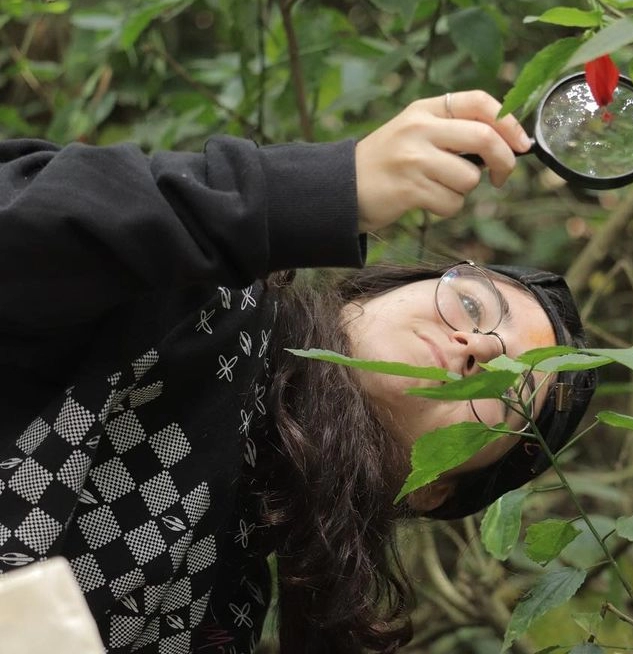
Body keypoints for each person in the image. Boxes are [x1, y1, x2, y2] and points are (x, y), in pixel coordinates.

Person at [0, 90, 597, 653]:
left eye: (509, 386)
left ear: (438, 487)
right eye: (472, 305)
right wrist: (325, 189)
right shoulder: (196, 295)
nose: (477, 346)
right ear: (366, 295)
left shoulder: (231, 603)